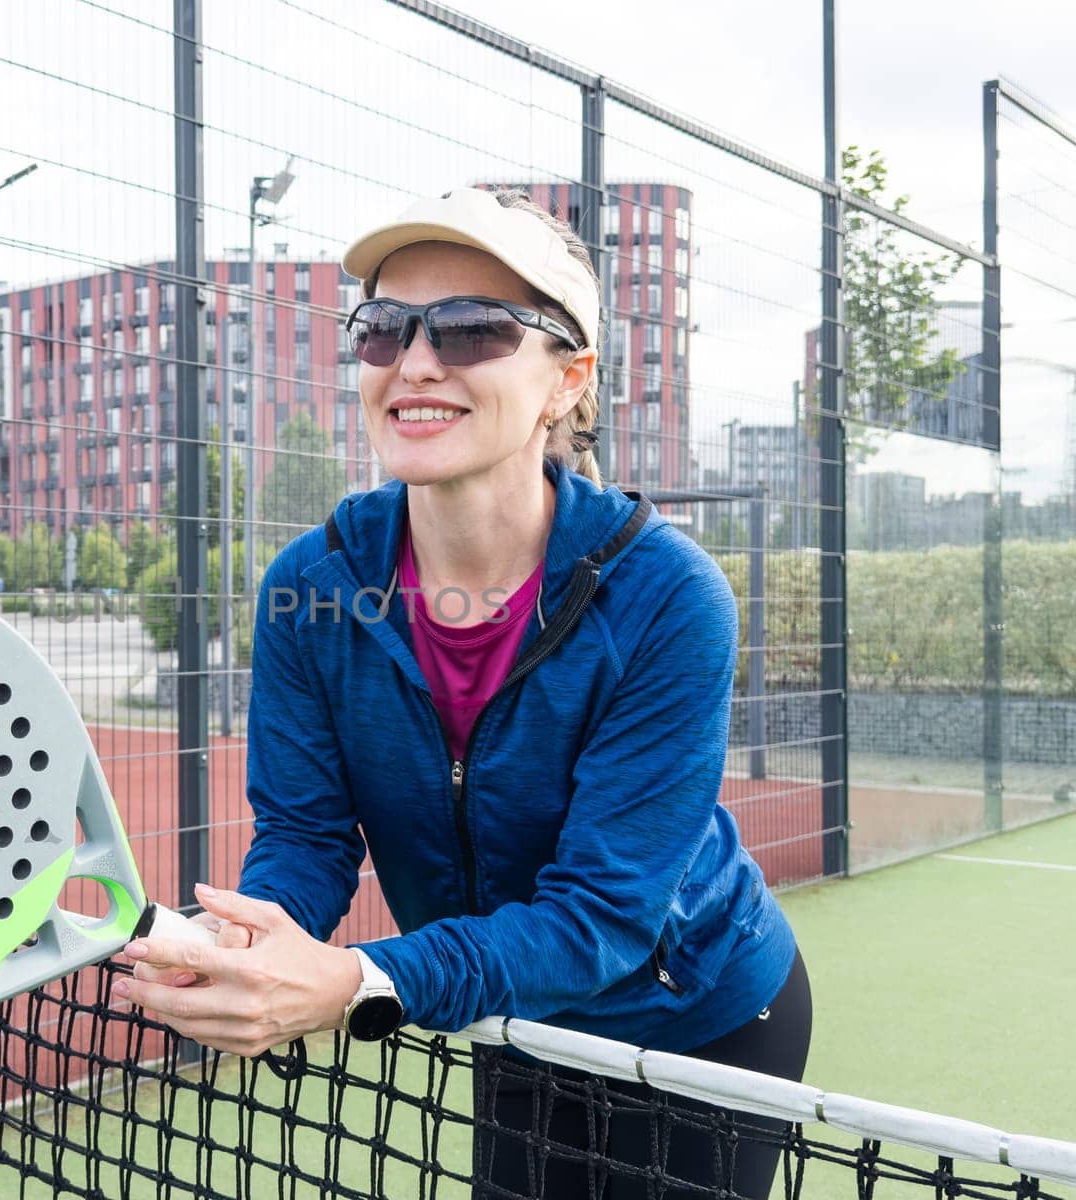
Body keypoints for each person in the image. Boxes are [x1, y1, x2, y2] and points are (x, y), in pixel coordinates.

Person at [113, 186, 812, 1197]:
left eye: (475, 329)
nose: (416, 363)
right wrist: (249, 937)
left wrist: (354, 977)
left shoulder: (667, 597)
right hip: (508, 1017)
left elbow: (604, 919)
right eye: (384, 329)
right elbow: (306, 838)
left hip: (699, 1023)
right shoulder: (307, 588)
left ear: (567, 381)